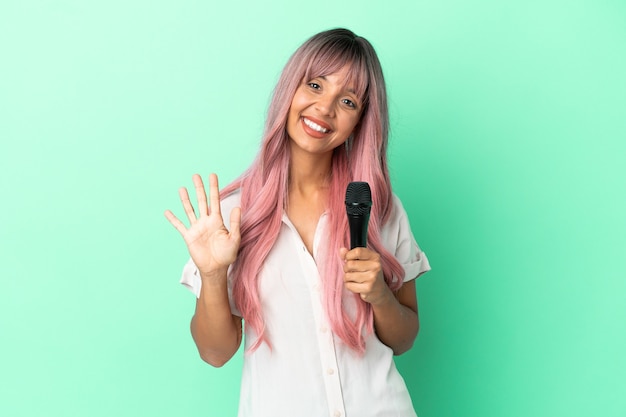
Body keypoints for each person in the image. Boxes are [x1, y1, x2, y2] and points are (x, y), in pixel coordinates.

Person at [164, 28, 430, 417]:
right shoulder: (233, 215)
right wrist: (213, 275)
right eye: (316, 85)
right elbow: (215, 353)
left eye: (348, 100)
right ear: (291, 89)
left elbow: (405, 338)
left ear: (360, 120)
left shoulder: (377, 207)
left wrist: (379, 296)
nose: (324, 109)